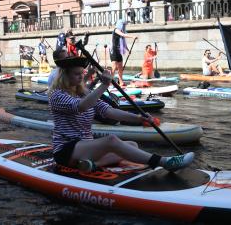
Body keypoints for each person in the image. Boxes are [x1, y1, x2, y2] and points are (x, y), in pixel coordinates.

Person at [48, 56, 194, 172]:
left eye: (82, 73)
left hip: (86, 146)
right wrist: (104, 85)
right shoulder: (57, 95)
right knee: (111, 140)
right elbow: (81, 107)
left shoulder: (83, 93)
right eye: (76, 74)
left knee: (132, 145)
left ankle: (93, 165)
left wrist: (138, 118)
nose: (81, 77)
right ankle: (163, 162)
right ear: (64, 75)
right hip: (66, 150)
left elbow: (109, 111)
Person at [110, 19, 138, 87]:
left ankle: (121, 82)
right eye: (123, 25)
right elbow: (123, 35)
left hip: (119, 51)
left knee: (120, 68)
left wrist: (128, 50)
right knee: (114, 67)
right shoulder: (116, 30)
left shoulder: (122, 31)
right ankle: (110, 82)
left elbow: (124, 44)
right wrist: (132, 36)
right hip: (113, 50)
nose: (124, 26)